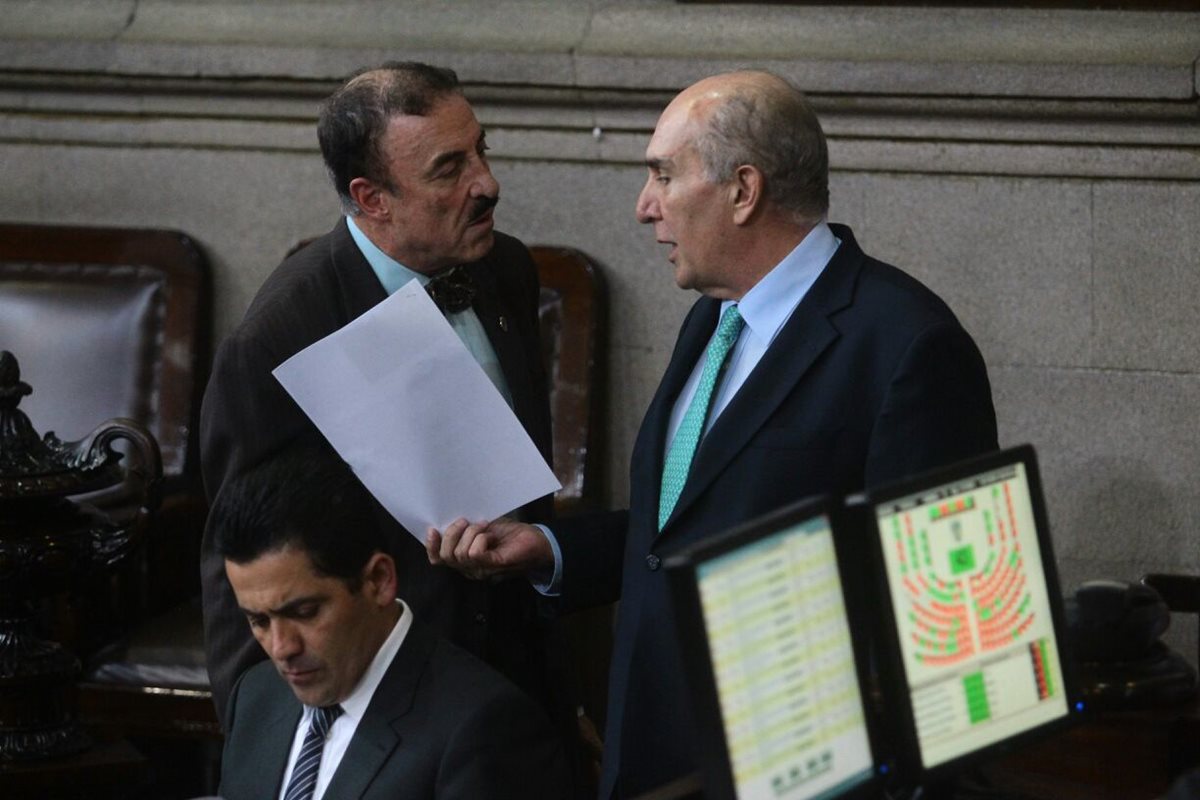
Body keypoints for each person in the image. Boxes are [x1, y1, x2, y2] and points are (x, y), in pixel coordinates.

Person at [427, 70, 999, 797]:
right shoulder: (715, 318)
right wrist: (554, 550)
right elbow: (691, 526)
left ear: (743, 190)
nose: (644, 207)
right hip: (654, 757)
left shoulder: (907, 347)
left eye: (664, 175)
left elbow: (947, 623)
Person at [198, 61, 565, 737]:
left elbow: (527, 496)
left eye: (482, 150)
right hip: (387, 713)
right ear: (371, 199)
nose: (487, 184)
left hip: (516, 686)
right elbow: (241, 568)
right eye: (449, 169)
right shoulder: (279, 336)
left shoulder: (505, 268)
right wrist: (265, 752)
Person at [212, 447, 569, 799]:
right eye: (259, 620)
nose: (281, 647)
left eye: (305, 612)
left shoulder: (485, 729)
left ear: (379, 580)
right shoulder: (255, 696)